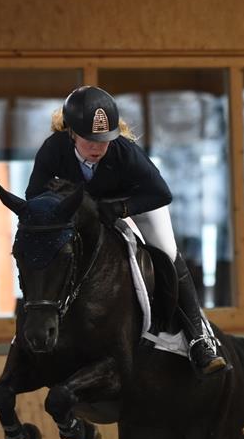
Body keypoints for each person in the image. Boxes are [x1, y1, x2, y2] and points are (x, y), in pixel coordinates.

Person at [25, 85, 227, 375]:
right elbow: (34, 196)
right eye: (89, 140)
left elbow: (161, 194)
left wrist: (119, 209)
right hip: (86, 211)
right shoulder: (53, 149)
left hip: (138, 202)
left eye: (104, 140)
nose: (97, 147)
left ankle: (199, 339)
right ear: (71, 133)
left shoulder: (125, 152)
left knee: (167, 252)